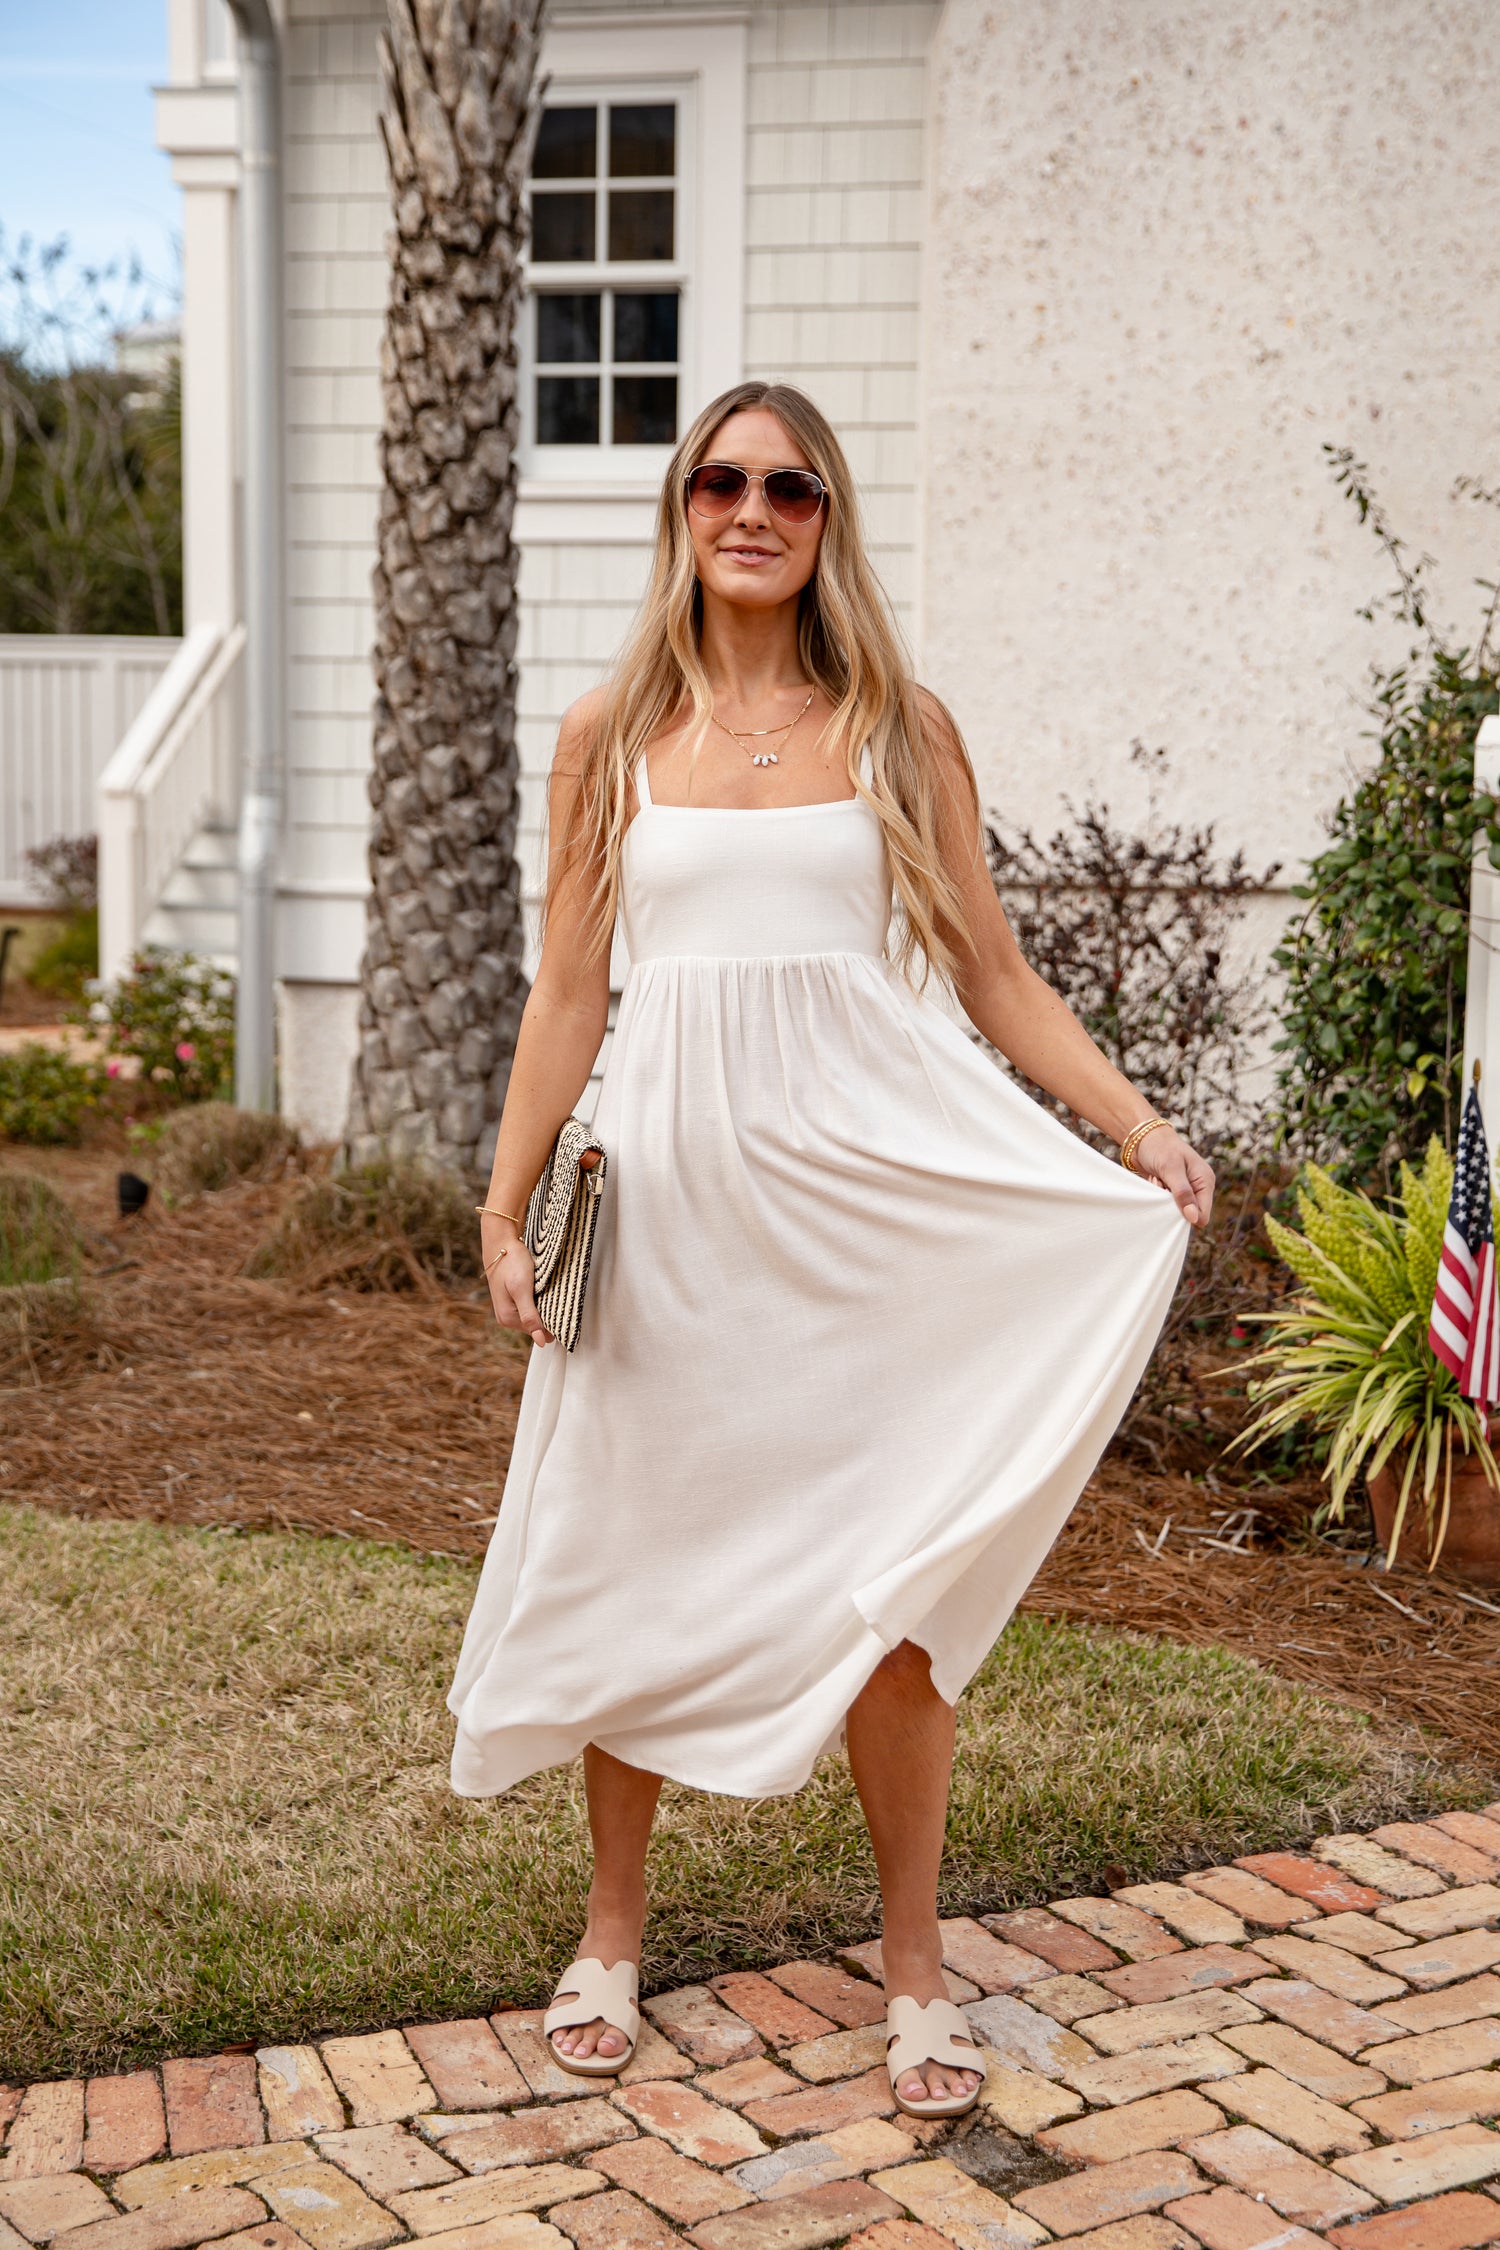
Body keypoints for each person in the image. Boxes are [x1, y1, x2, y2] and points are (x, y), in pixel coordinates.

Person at [449, 379, 1212, 2119]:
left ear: (826, 518)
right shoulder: (608, 735)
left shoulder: (897, 726)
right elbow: (568, 992)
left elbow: (992, 973)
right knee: (633, 1552)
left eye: (789, 486)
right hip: (670, 1223)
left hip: (864, 1228)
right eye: (721, 480)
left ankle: (917, 1960)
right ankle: (612, 1933)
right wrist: (502, 1205)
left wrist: (1134, 1124)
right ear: (682, 508)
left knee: (896, 1593)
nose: (752, 509)